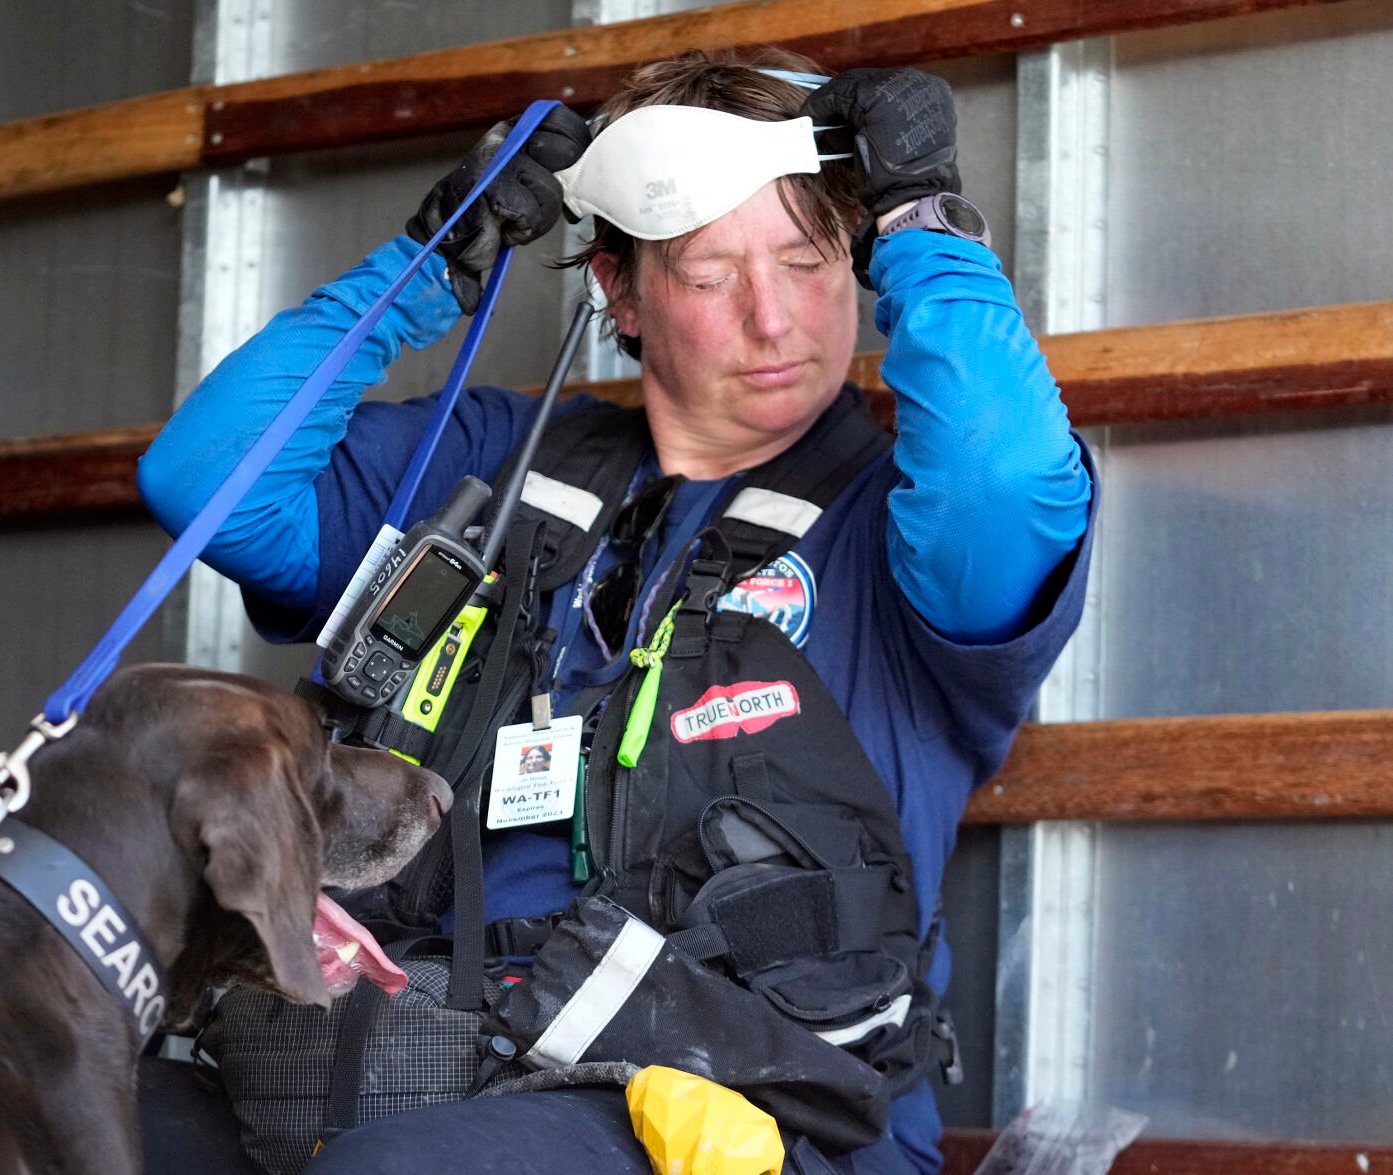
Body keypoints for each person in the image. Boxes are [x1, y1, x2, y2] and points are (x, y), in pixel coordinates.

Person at [138, 47, 1094, 1175]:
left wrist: (924, 218)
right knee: (55, 1104)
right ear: (619, 293)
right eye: (708, 273)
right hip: (390, 1060)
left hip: (742, 1115)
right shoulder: (497, 455)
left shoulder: (908, 533)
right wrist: (427, 267)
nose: (774, 318)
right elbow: (209, 482)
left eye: (810, 255)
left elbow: (999, 468)